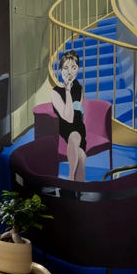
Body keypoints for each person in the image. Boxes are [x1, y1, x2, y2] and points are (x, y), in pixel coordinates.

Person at [50, 50, 86, 181]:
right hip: (63, 127)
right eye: (65, 68)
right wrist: (67, 90)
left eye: (73, 67)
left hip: (78, 126)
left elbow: (78, 114)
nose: (69, 72)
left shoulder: (79, 87)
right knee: (81, 156)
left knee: (76, 135)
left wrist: (71, 89)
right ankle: (75, 185)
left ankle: (71, 180)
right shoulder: (55, 92)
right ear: (60, 70)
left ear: (78, 69)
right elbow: (67, 118)